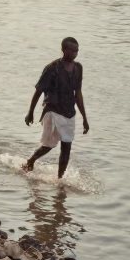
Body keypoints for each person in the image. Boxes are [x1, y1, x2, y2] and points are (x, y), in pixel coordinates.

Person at [23, 37, 89, 179]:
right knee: (50, 145)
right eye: (72, 51)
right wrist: (30, 113)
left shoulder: (78, 68)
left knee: (67, 148)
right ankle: (31, 161)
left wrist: (84, 118)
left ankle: (60, 179)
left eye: (77, 51)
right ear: (64, 50)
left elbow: (78, 93)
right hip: (53, 110)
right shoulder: (52, 68)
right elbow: (39, 91)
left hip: (69, 112)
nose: (75, 54)